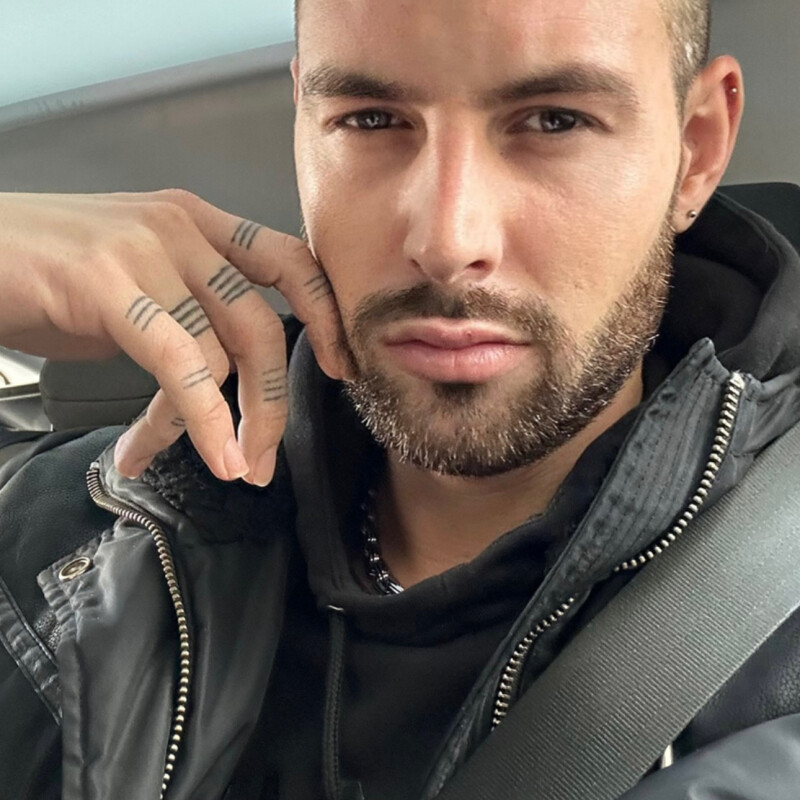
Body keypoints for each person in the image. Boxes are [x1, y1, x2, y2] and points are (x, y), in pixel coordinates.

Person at [1, 0, 800, 798]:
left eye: (555, 121)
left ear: (696, 149)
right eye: (371, 120)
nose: (447, 243)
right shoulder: (59, 548)